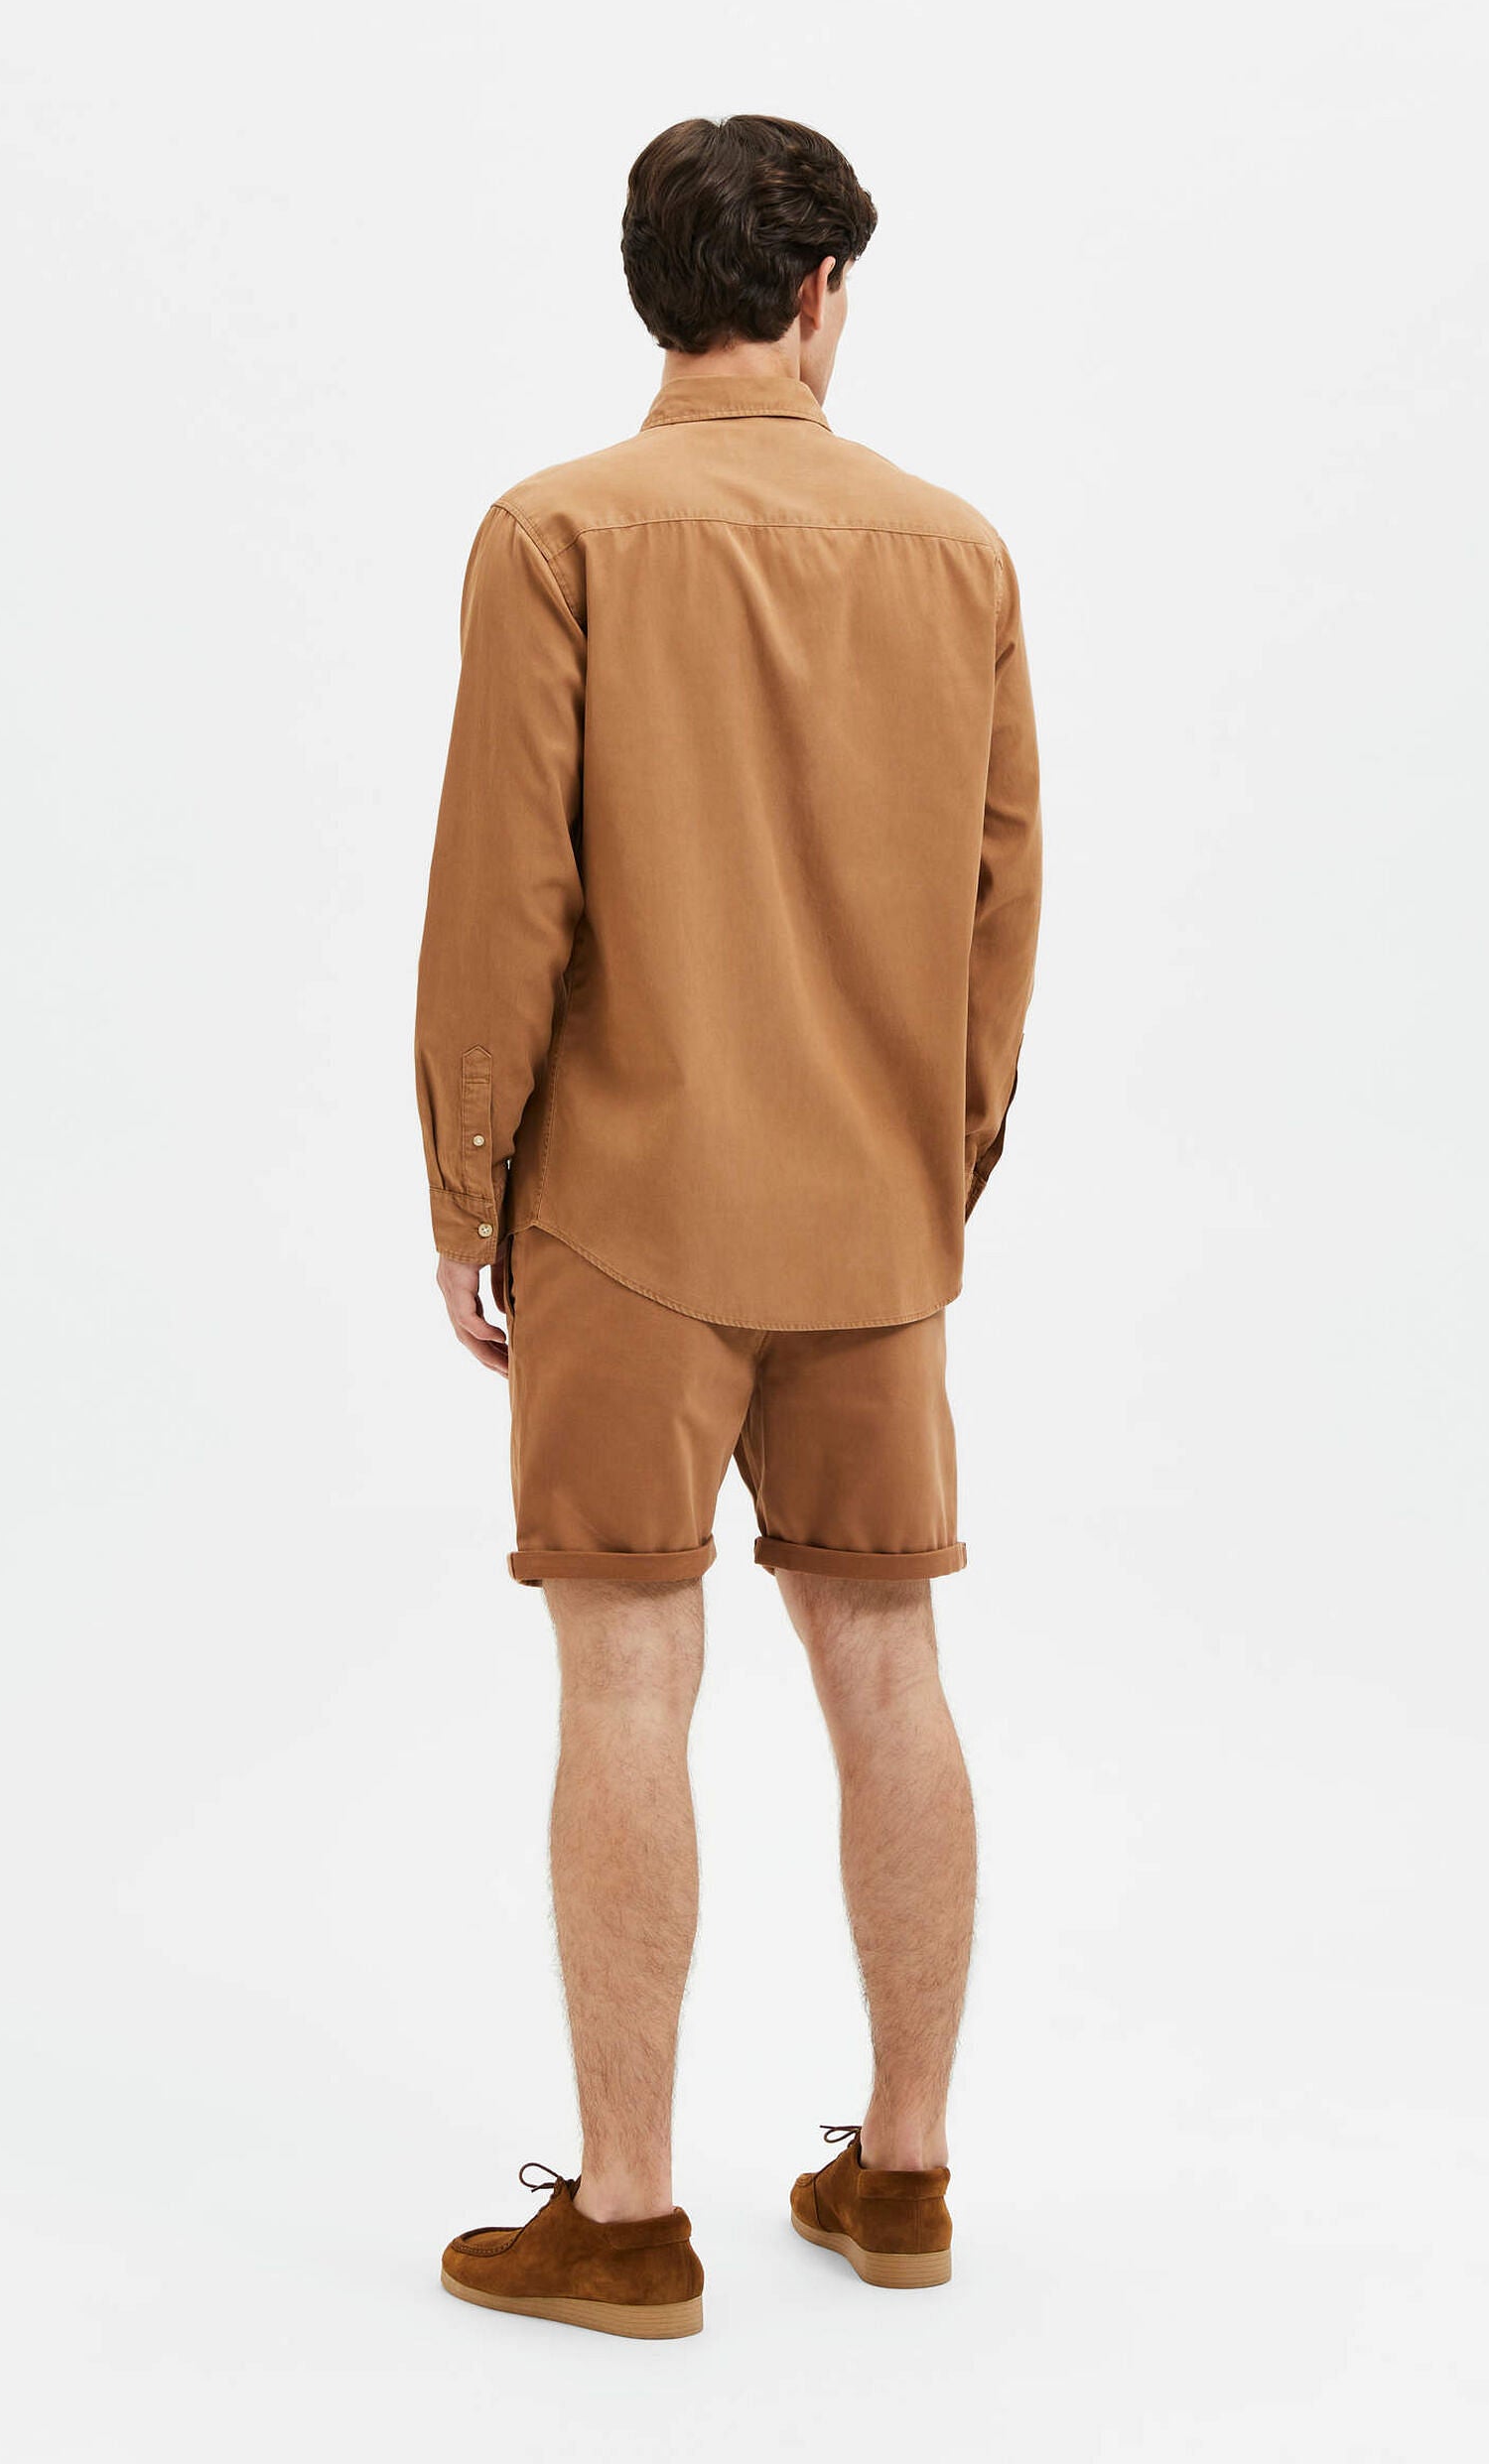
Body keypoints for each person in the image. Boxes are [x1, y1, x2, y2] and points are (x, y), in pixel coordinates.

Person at [415, 113, 1041, 2338]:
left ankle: (628, 2217)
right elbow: (1002, 904)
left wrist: (466, 1186)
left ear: (654, 291)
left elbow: (504, 894)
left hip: (628, 1207)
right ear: (818, 293)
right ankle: (904, 2173)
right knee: (889, 1659)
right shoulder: (956, 552)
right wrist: (935, 1157)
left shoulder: (557, 531)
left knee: (627, 1671)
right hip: (874, 1212)